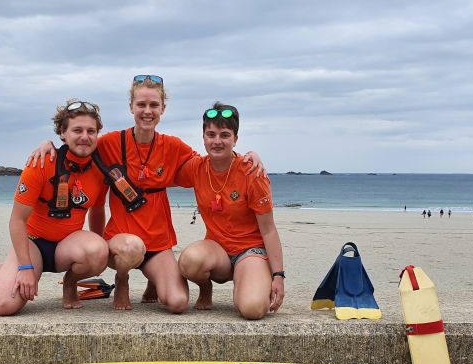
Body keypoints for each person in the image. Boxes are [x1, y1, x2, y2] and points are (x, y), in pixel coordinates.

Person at [28, 75, 265, 312]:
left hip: (158, 243)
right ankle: (122, 280)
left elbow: (211, 161)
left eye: (154, 105)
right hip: (122, 243)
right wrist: (49, 145)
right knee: (133, 246)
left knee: (178, 302)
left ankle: (154, 280)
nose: (147, 111)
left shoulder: (172, 146)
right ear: (131, 106)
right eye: (141, 104)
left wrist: (247, 156)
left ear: (163, 108)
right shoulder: (110, 142)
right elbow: (78, 144)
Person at [0, 99, 110, 315]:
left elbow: (97, 211)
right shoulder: (41, 162)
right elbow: (17, 220)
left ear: (98, 134)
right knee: (4, 306)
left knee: (98, 250)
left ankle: (69, 284)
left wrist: (100, 256)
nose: (85, 137)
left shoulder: (99, 169)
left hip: (68, 246)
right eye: (77, 130)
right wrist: (24, 267)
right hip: (33, 245)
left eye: (91, 131)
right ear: (63, 133)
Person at [174, 103, 284, 319]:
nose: (217, 141)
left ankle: (246, 282)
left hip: (250, 251)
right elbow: (161, 172)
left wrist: (278, 275)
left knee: (252, 310)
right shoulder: (196, 167)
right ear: (203, 137)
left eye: (225, 135)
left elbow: (269, 230)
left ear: (235, 139)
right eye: (211, 134)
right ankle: (206, 288)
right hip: (218, 252)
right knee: (189, 261)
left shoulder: (251, 171)